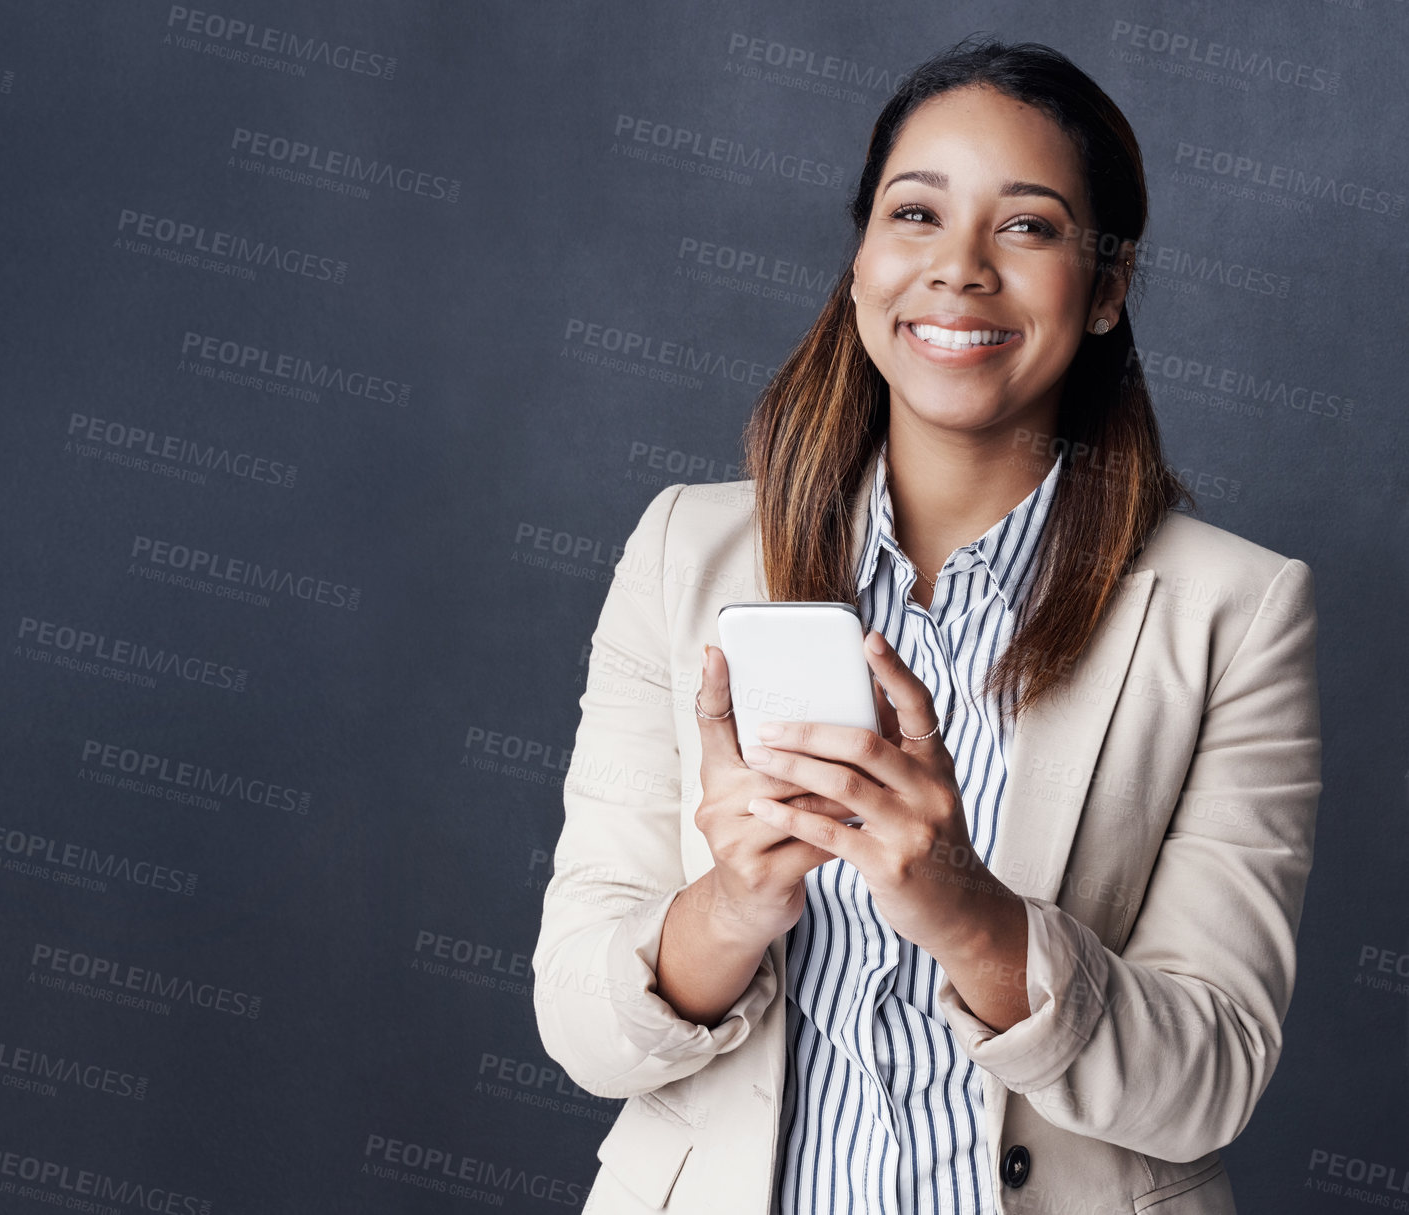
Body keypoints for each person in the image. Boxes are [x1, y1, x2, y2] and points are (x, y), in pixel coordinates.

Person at [532, 35, 1322, 1215]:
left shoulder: (1232, 612)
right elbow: (580, 1029)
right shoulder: (680, 553)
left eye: (1028, 226)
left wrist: (970, 915)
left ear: (1105, 288)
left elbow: (1205, 1082)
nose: (956, 269)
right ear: (858, 264)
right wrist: (731, 908)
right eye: (913, 214)